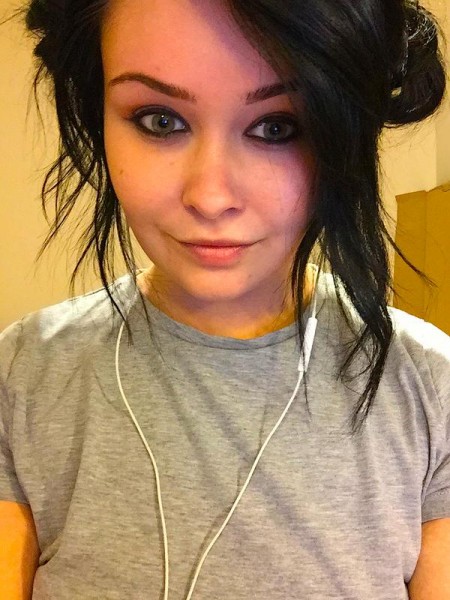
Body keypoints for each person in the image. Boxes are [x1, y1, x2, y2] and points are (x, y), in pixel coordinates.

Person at [1, 0, 449, 598]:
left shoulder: (431, 388)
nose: (211, 197)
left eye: (277, 126)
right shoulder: (23, 374)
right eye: (160, 120)